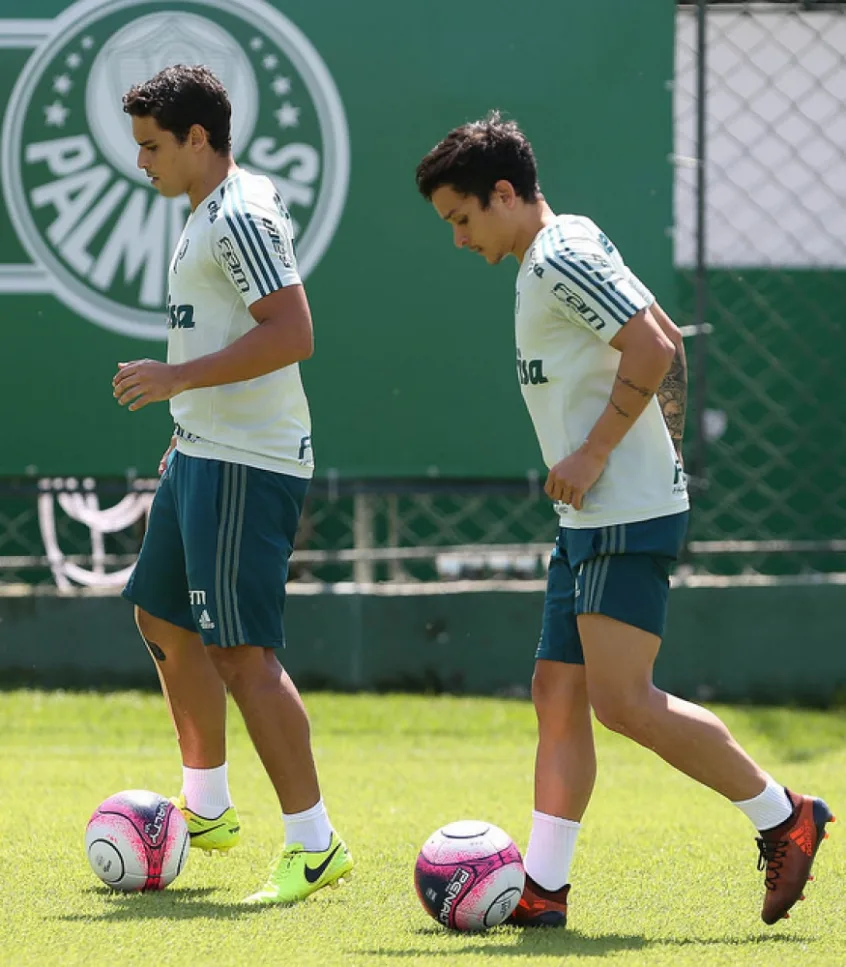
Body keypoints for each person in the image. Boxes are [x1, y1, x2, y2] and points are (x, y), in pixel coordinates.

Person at [415, 112, 833, 927]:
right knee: (558, 695)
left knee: (624, 700)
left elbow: (651, 346)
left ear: (504, 193)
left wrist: (605, 455)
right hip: (598, 517)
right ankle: (543, 890)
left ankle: (786, 816)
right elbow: (666, 337)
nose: (459, 239)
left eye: (462, 219)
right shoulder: (555, 249)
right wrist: (647, 457)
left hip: (619, 513)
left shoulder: (560, 254)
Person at [114, 64, 352, 905]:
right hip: (201, 450)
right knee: (162, 616)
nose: (141, 160)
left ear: (198, 140)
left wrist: (179, 381)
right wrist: (185, 424)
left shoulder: (239, 212)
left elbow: (293, 331)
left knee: (242, 654)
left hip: (247, 460)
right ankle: (207, 806)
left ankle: (314, 842)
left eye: (152, 146)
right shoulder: (207, 210)